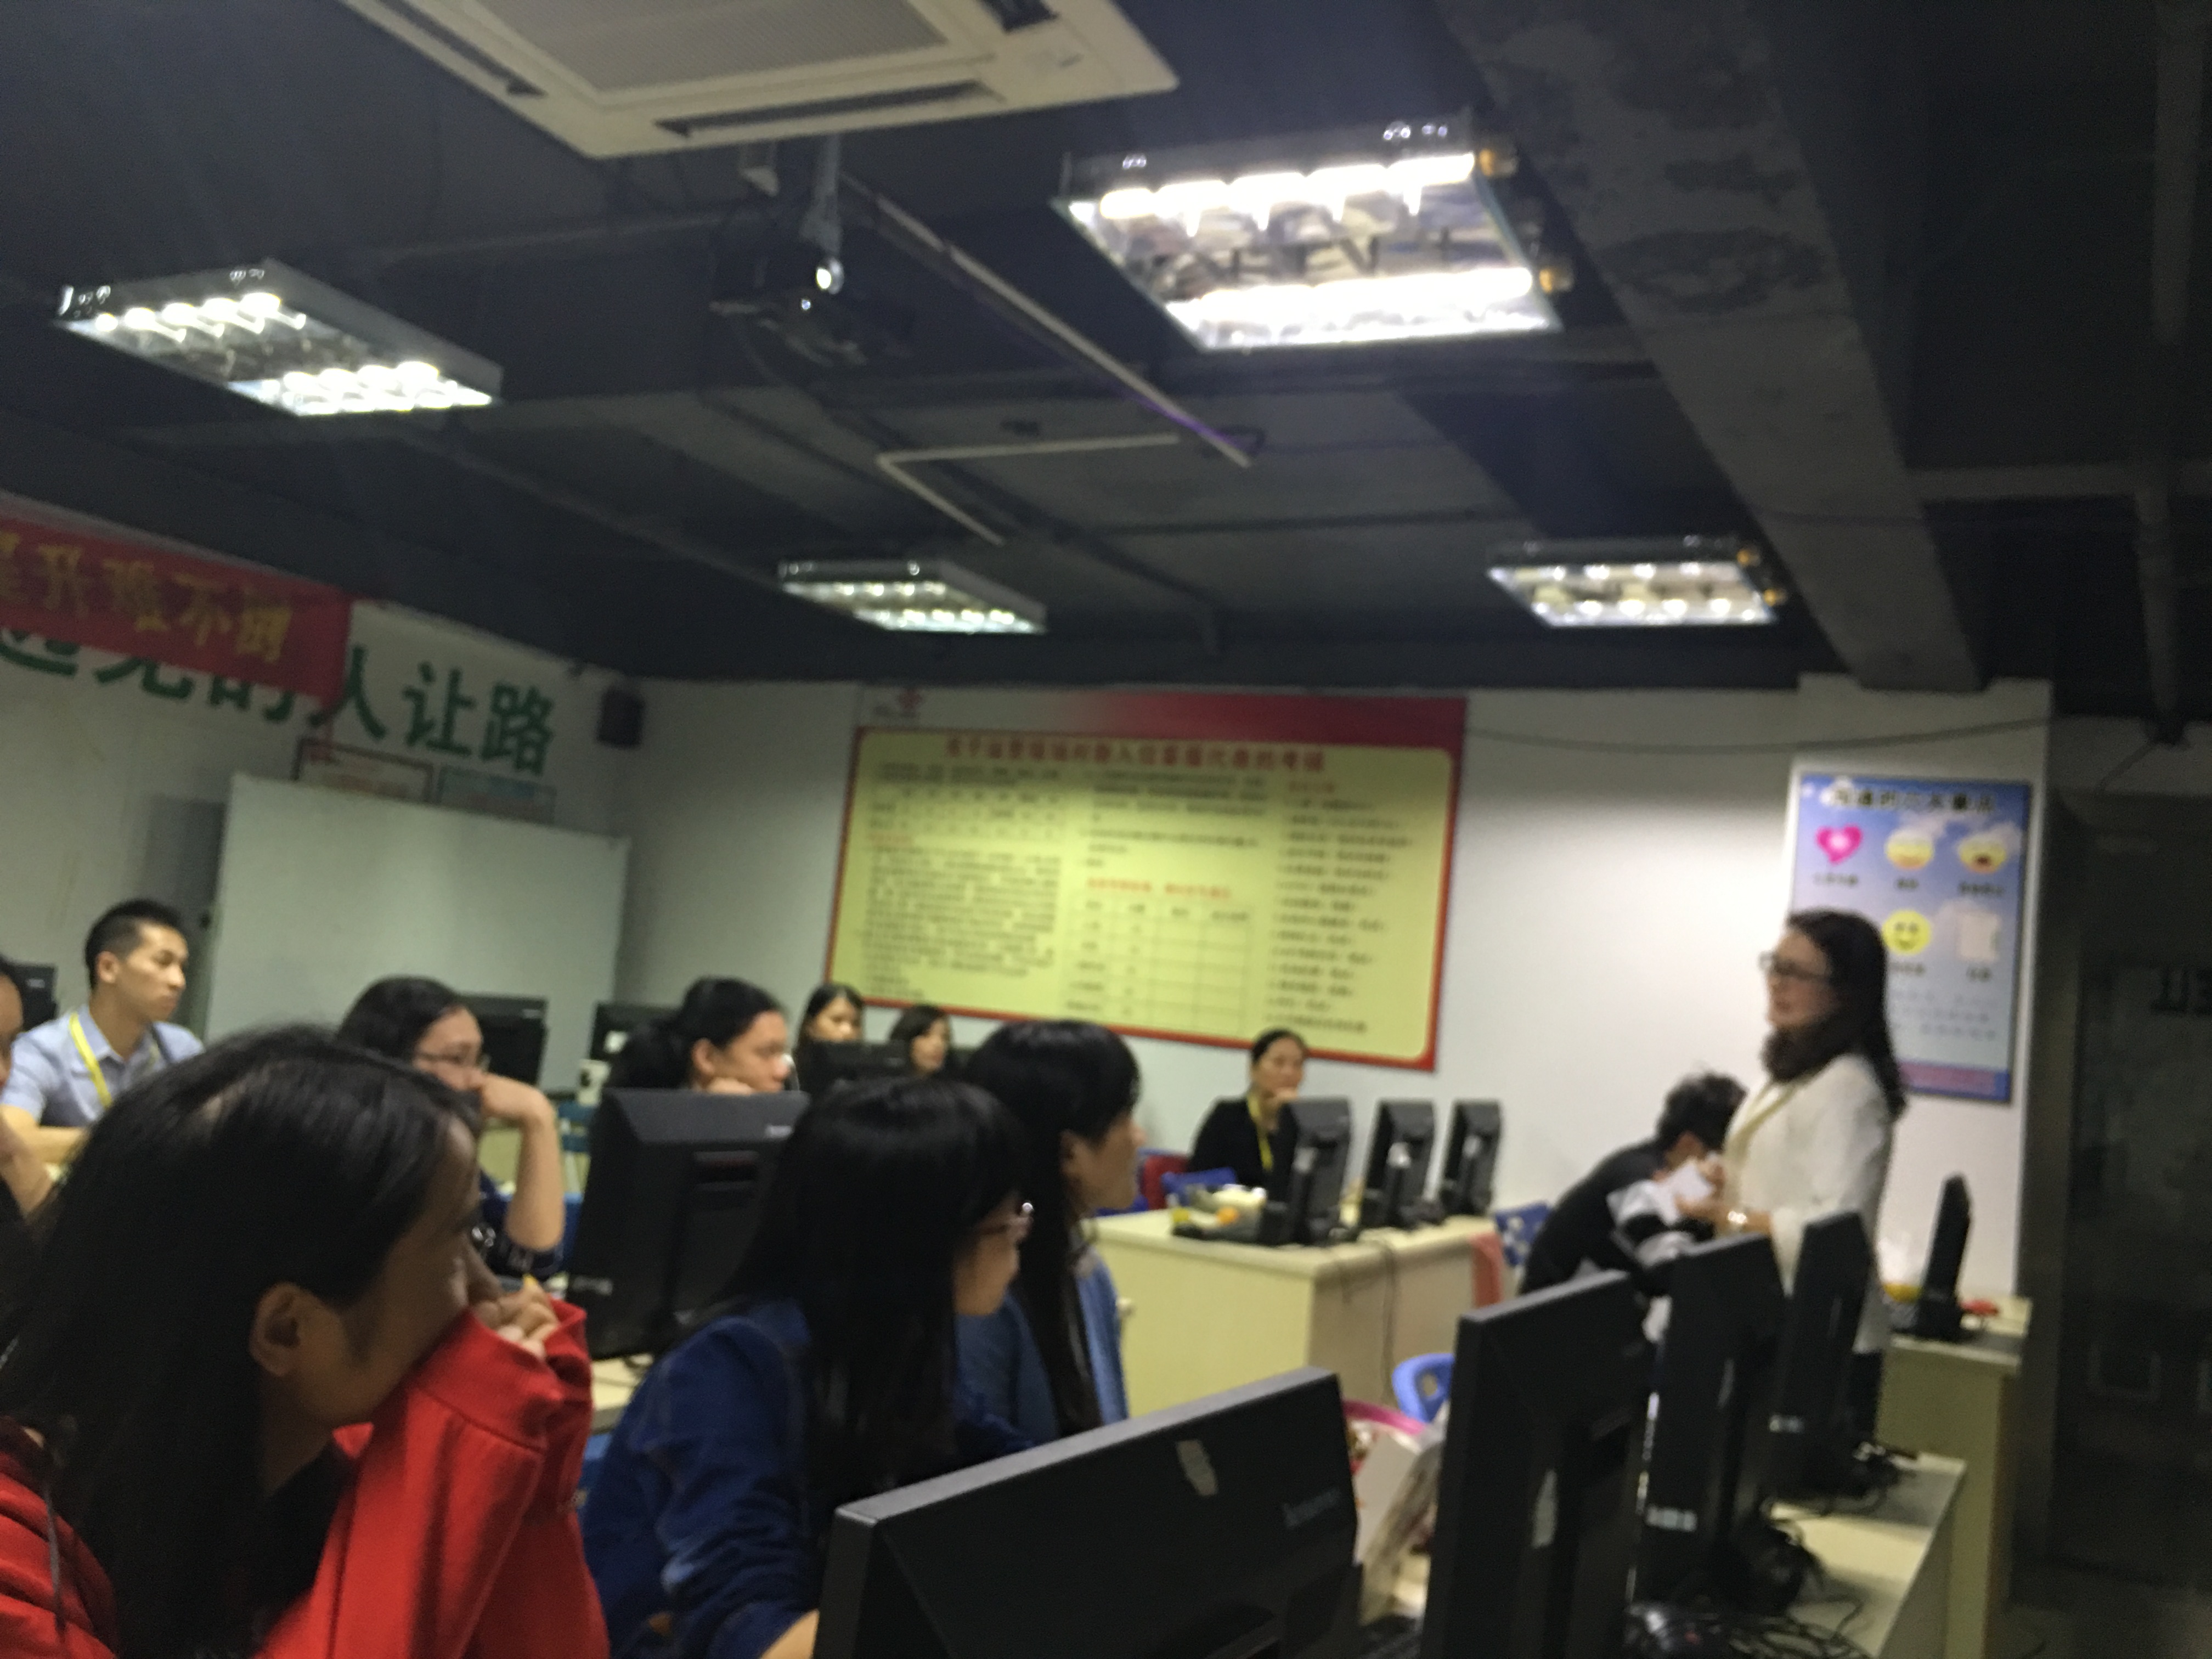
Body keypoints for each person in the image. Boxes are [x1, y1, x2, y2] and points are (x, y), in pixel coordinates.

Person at [0, 1028, 605, 1659]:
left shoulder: (329, 1466)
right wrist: (463, 1452)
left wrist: (529, 1494)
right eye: (458, 1252)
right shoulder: (16, 1567)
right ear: (287, 1329)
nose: (488, 1295)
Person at [584, 1076, 1031, 1659]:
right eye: (1009, 1217)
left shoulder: (892, 1348)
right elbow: (752, 1637)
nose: (1021, 1232)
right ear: (926, 1238)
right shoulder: (724, 1374)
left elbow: (1020, 1484)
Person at [1683, 910, 1906, 1435]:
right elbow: (1781, 1177)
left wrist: (1732, 1215)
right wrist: (1726, 1179)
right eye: (1775, 966)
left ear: (1844, 994)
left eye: (1798, 973)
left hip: (1817, 1338)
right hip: (1771, 1319)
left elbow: (1837, 1231)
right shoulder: (1792, 1073)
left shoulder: (1848, 1090)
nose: (1777, 983)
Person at [957, 1021, 1142, 1441]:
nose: (1139, 1137)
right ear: (1070, 1152)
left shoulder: (1085, 1266)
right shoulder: (983, 1291)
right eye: (1124, 1117)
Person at [336, 977, 568, 1279]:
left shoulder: (447, 1162)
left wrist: (538, 1121)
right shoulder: (353, 1171)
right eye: (458, 1059)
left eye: (478, 1061)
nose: (477, 1080)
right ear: (391, 1063)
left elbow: (530, 1264)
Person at [2, 899, 203, 1160]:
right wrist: (127, 1140)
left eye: (182, 967)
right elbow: (12, 1139)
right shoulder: (43, 1050)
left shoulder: (182, 1048)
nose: (179, 982)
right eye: (163, 963)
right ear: (108, 968)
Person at [1519, 1071, 1745, 1294]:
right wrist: (1722, 1215)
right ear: (1689, 1144)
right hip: (1558, 1311)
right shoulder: (1638, 1182)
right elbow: (1674, 1274)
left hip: (1597, 1306)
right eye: (1723, 1153)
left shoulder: (1661, 1176)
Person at [607, 978, 792, 1094]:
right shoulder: (646, 1125)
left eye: (781, 1053)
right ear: (706, 1058)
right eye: (766, 1053)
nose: (782, 1071)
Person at [1188, 1028, 1307, 1192]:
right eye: (1278, 1062)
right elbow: (1198, 1180)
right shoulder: (1226, 1116)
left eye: (1298, 1065)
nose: (1289, 1072)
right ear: (1253, 1068)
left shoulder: (1303, 1126)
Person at [791, 982, 864, 1097]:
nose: (848, 1031)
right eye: (837, 1020)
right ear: (810, 1026)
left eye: (856, 1023)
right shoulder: (789, 1071)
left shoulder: (864, 1076)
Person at [888, 1003, 952, 1076]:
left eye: (945, 1037)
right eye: (926, 1034)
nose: (938, 1044)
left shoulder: (955, 1081)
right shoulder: (884, 1080)